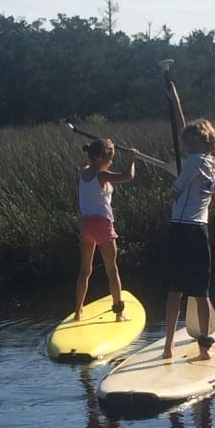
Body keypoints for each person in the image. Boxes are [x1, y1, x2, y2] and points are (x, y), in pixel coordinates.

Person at [162, 83, 215, 360]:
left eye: (194, 141)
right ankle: (203, 349)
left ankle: (168, 346)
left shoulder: (193, 163)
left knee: (178, 290)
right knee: (200, 291)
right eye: (189, 141)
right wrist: (176, 100)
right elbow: (185, 135)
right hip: (200, 231)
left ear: (205, 142)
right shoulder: (211, 162)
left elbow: (173, 195)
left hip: (182, 230)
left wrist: (176, 177)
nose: (188, 144)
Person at [75, 138, 137, 322]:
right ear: (100, 158)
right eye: (109, 159)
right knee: (112, 270)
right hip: (102, 224)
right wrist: (132, 158)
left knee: (84, 270)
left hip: (86, 225)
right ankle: (119, 313)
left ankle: (78, 311)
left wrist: (103, 149)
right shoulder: (102, 175)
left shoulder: (82, 172)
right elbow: (128, 176)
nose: (111, 163)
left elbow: (91, 164)